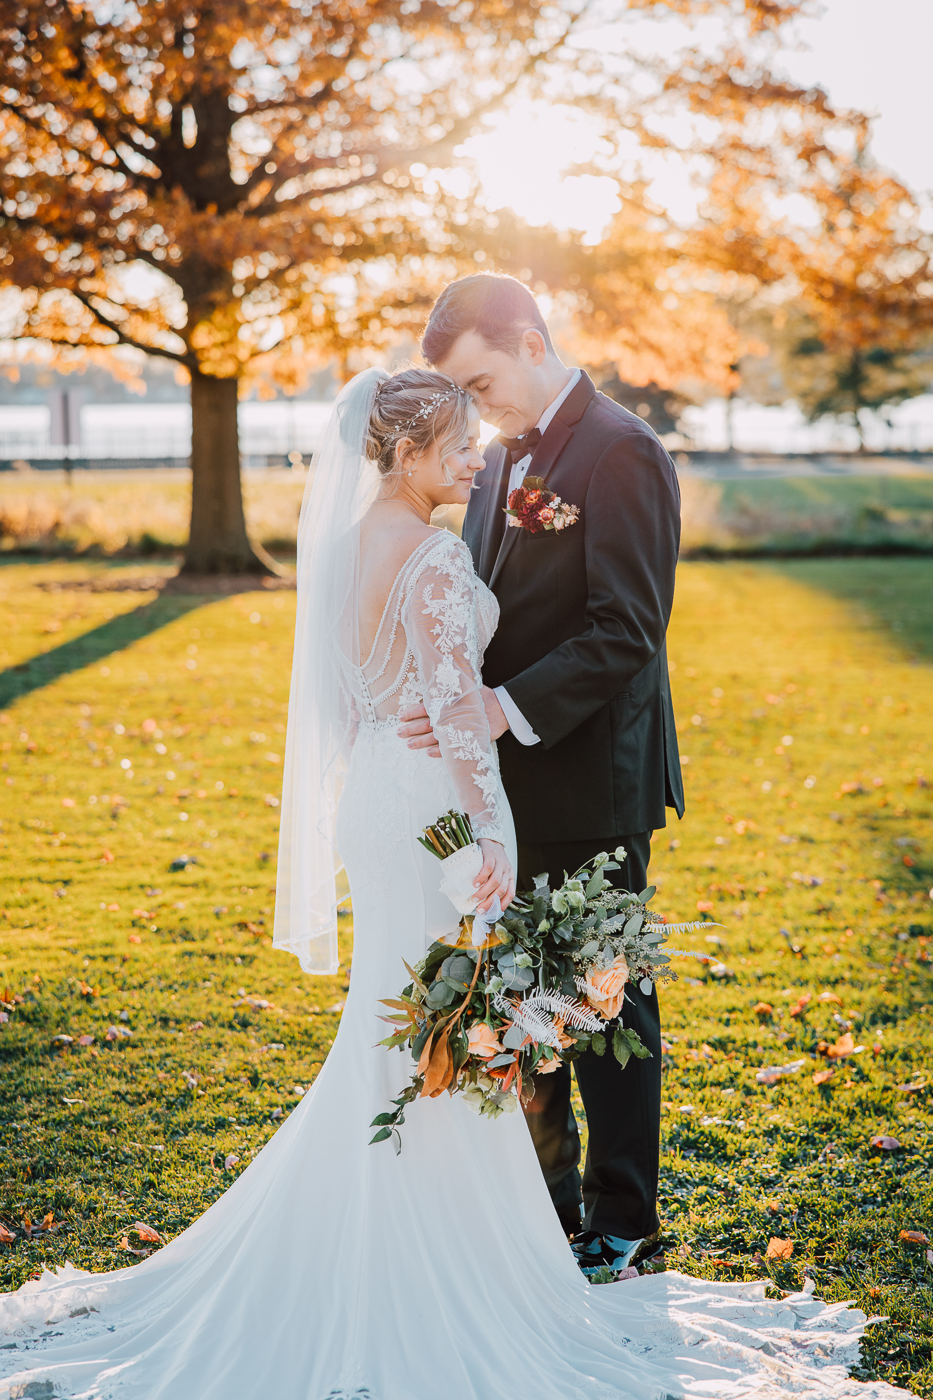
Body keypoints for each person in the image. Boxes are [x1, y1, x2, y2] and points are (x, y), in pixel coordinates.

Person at [0, 367, 903, 1400]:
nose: (477, 459)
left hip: (381, 802)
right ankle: (436, 1266)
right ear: (409, 451)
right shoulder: (431, 556)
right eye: (460, 443)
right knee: (442, 1033)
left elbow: (360, 704)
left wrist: (412, 782)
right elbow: (463, 724)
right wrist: (495, 841)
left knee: (406, 1029)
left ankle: (413, 1242)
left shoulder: (346, 548)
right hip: (434, 807)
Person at [400, 272, 684, 1274]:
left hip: (593, 772)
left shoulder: (621, 449)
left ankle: (626, 1220)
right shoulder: (498, 459)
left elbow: (628, 627)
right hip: (510, 784)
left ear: (527, 339)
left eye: (481, 380)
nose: (476, 408)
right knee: (520, 1000)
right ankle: (549, 1211)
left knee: (604, 999)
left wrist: (503, 709)